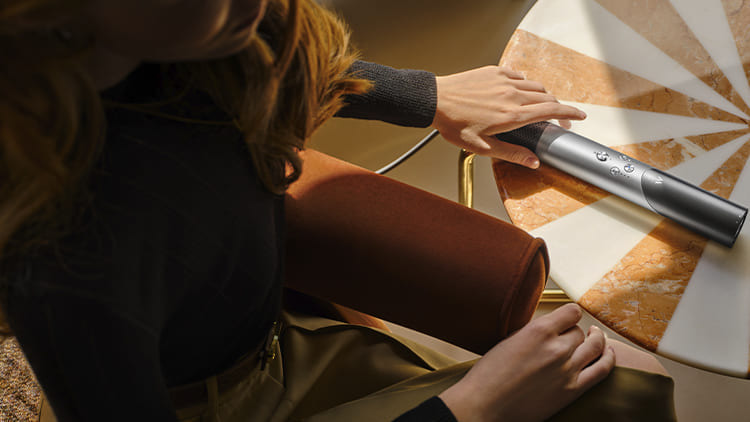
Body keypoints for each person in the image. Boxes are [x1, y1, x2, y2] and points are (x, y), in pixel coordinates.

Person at [0, 0, 676, 420]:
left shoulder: (205, 37)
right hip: (211, 405)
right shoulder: (61, 267)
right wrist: (474, 407)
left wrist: (428, 96)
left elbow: (284, 52)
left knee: (633, 383)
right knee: (630, 388)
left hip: (278, 342)